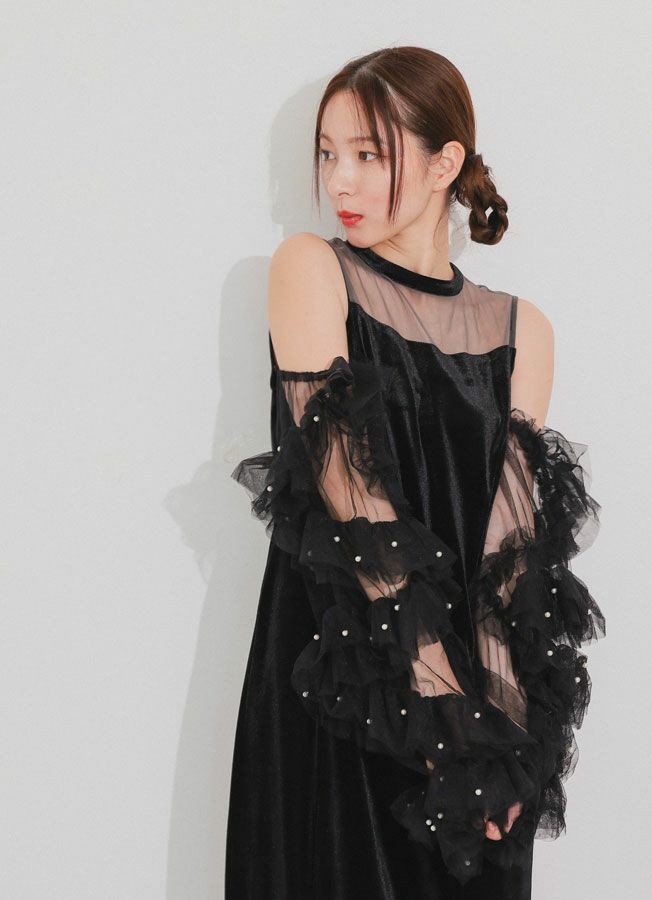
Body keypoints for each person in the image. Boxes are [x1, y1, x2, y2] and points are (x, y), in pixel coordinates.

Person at [225, 46, 606, 899]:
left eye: (369, 154)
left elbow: (512, 549)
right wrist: (442, 715)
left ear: (445, 164)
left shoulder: (523, 330)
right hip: (346, 680)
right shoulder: (312, 269)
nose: (340, 181)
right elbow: (349, 495)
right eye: (328, 153)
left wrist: (499, 738)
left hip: (469, 703)